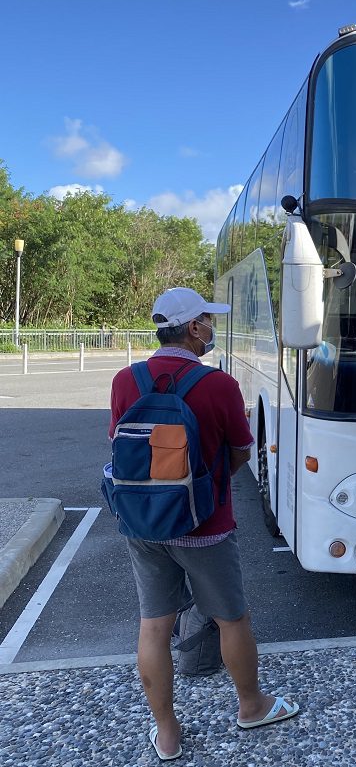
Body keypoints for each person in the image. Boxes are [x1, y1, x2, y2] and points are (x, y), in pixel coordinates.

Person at [108, 287, 298, 761]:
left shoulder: (124, 381)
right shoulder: (218, 386)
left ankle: (168, 734)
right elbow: (240, 450)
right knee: (231, 617)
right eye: (207, 322)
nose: (212, 329)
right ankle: (251, 706)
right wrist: (205, 487)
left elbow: (118, 445)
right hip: (205, 524)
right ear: (193, 328)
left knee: (154, 624)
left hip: (142, 524)